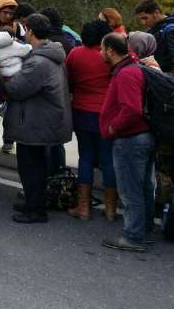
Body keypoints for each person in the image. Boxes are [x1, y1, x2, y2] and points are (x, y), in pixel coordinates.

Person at [2, 13, 72, 224]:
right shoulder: (52, 55)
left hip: (35, 122)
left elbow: (16, 88)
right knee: (36, 165)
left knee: (31, 167)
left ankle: (35, 209)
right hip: (43, 119)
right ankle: (34, 203)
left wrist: (2, 77)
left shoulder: (39, 62)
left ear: (30, 31)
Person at [99, 33, 155, 252]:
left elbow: (131, 109)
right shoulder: (135, 68)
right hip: (143, 136)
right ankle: (144, 229)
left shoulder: (127, 73)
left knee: (131, 189)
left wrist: (113, 127)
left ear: (111, 50)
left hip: (131, 139)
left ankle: (133, 236)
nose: (101, 53)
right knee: (142, 187)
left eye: (103, 49)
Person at [65, 20, 115, 221]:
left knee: (85, 157)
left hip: (82, 110)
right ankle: (111, 209)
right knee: (108, 159)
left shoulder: (76, 54)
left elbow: (69, 82)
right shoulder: (111, 56)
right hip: (107, 111)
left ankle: (83, 207)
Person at [135, 0, 174, 73]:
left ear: (156, 13)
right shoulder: (153, 30)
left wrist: (168, 80)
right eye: (140, 19)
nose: (143, 23)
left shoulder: (171, 30)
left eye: (145, 18)